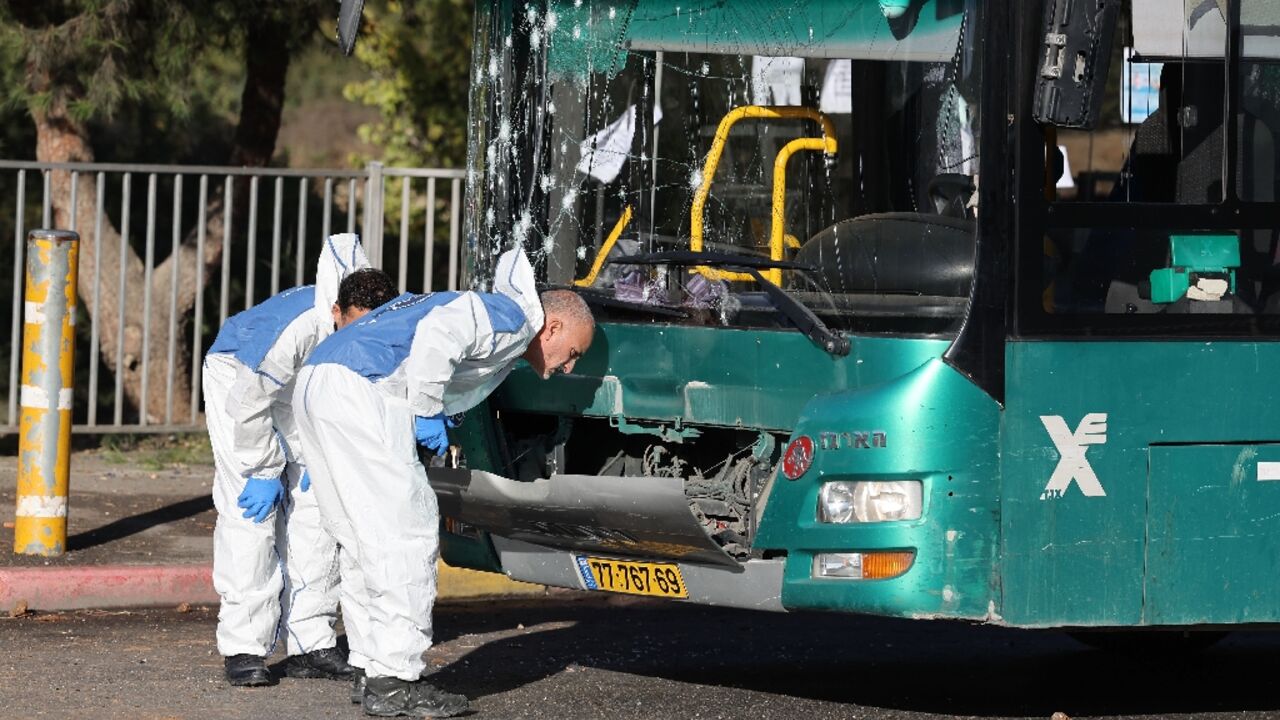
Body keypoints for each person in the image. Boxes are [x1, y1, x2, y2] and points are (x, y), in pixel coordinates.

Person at [293, 247, 594, 717]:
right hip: (362, 390)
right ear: (551, 327)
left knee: (359, 540)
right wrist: (428, 407)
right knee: (405, 537)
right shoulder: (512, 316)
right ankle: (395, 681)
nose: (568, 366)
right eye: (572, 353)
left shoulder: (492, 311)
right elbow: (440, 334)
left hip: (318, 380)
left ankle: (373, 671)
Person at [204, 233, 399, 687]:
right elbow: (250, 403)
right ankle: (243, 648)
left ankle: (310, 640)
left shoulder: (376, 319)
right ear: (335, 311)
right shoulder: (299, 329)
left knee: (318, 510)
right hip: (239, 379)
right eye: (351, 326)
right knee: (250, 515)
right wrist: (262, 469)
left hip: (301, 387)